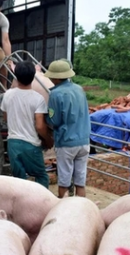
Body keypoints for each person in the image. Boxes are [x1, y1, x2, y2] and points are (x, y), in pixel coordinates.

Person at [0, 61, 53, 188]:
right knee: (40, 175)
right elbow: (40, 126)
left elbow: (6, 118)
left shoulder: (7, 95)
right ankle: (42, 205)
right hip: (30, 144)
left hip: (13, 143)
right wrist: (48, 139)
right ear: (33, 75)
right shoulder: (37, 98)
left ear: (16, 76)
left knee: (19, 180)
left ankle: (21, 206)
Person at [44, 60, 91, 198]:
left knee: (64, 181)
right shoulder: (79, 89)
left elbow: (55, 120)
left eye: (52, 76)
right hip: (84, 141)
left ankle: (63, 209)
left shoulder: (55, 94)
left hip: (66, 142)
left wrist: (45, 118)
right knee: (80, 181)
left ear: (57, 77)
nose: (50, 79)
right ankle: (82, 208)